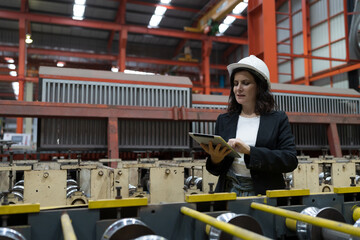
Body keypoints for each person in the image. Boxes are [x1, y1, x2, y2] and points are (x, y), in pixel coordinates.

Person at [200, 55, 298, 196]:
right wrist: (216, 159)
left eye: (245, 83)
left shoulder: (277, 119)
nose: (238, 89)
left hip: (264, 192)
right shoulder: (224, 120)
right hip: (230, 189)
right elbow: (216, 171)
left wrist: (250, 151)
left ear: (259, 87)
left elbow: (290, 160)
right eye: (235, 83)